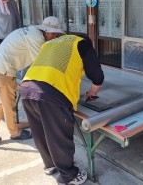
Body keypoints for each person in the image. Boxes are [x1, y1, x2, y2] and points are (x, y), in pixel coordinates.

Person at [21, 35, 104, 185]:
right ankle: (69, 176)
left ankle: (50, 165)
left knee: (40, 131)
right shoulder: (83, 44)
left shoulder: (51, 43)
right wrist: (93, 92)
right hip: (51, 93)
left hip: (27, 88)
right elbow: (97, 75)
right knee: (58, 135)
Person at [0, 16, 65, 142]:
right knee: (9, 104)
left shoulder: (31, 32)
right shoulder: (36, 38)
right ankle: (15, 133)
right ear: (46, 31)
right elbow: (40, 63)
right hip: (3, 71)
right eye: (53, 34)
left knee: (2, 101)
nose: (54, 37)